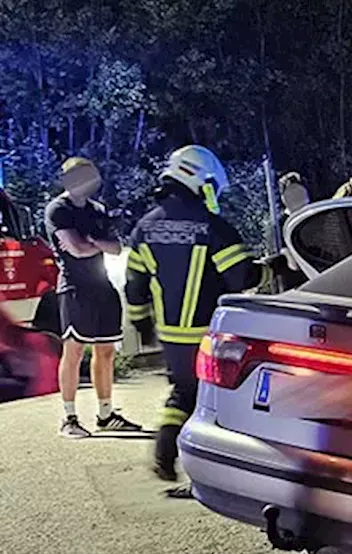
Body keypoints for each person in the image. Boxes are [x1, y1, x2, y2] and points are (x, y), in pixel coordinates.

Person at [124, 146, 272, 495]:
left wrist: (141, 323)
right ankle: (208, 474)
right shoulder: (211, 227)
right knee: (215, 401)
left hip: (171, 335)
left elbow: (134, 285)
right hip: (209, 332)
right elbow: (242, 277)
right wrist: (274, 267)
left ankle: (165, 447)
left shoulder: (145, 227)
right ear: (201, 181)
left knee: (183, 392)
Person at [44, 157, 142, 437]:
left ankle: (106, 414)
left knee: (106, 351)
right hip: (74, 288)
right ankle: (69, 418)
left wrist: (93, 242)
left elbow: (115, 248)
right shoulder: (57, 210)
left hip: (103, 287)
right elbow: (75, 249)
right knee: (73, 350)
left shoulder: (98, 210)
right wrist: (92, 243)